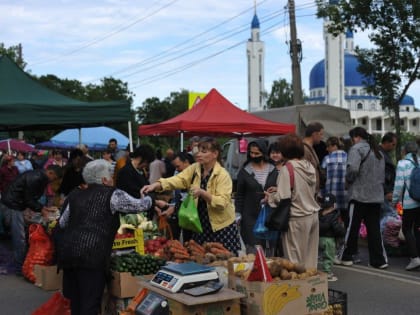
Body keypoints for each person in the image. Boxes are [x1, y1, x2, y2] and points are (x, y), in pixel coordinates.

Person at [54, 159, 166, 315]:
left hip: (69, 254)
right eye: (111, 176)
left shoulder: (74, 195)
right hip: (91, 256)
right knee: (90, 303)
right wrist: (150, 198)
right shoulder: (112, 194)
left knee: (77, 302)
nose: (113, 179)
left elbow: (63, 223)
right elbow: (139, 206)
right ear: (104, 179)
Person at [141, 137, 240, 254]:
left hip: (222, 228)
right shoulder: (195, 168)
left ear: (215, 154)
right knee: (202, 261)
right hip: (200, 226)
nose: (199, 154)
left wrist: (202, 193)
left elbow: (222, 203)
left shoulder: (223, 175)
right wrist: (156, 185)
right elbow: (178, 179)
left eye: (204, 151)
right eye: (198, 151)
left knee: (225, 263)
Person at [267, 134, 320, 269]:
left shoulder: (287, 168)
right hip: (313, 215)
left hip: (297, 218)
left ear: (285, 151)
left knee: (294, 262)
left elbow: (282, 198)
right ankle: (311, 287)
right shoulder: (309, 166)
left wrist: (270, 197)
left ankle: (297, 289)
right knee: (310, 260)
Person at [339, 127, 388, 269]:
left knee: (352, 227)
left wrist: (348, 180)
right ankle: (378, 260)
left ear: (356, 137)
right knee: (374, 229)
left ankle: (346, 256)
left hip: (359, 194)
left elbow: (353, 169)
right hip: (376, 195)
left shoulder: (356, 149)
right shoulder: (377, 151)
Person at [0, 165, 63, 275]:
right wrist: (41, 209)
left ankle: (21, 263)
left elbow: (31, 198)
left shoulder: (40, 177)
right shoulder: (36, 177)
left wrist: (42, 208)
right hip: (12, 205)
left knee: (20, 235)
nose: (53, 180)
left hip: (16, 204)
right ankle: (19, 267)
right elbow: (29, 198)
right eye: (54, 177)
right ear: (50, 173)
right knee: (19, 237)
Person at [235, 139, 278, 254]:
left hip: (270, 216)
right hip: (250, 216)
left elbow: (282, 189)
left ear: (263, 153)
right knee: (254, 249)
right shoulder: (244, 171)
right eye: (251, 153)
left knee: (270, 247)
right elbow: (239, 195)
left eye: (257, 153)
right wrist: (238, 214)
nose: (253, 156)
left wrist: (276, 190)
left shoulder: (274, 170)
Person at [392, 141, 420, 271]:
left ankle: (414, 258)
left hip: (409, 203)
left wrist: (394, 201)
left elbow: (398, 186)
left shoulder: (402, 164)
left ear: (405, 151)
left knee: (407, 228)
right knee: (418, 228)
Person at [159, 151, 194, 241]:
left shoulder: (197, 176)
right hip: (184, 218)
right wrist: (171, 209)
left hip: (195, 219)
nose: (177, 169)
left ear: (186, 162)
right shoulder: (179, 175)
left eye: (178, 166)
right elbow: (179, 198)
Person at [318, 193, 346, 281]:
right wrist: (342, 232)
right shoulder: (334, 215)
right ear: (334, 205)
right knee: (328, 257)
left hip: (319, 239)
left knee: (321, 256)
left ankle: (320, 270)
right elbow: (337, 228)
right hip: (329, 240)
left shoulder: (319, 214)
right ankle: (327, 273)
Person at [321, 137, 348, 225]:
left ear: (334, 146)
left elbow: (322, 178)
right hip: (346, 196)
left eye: (328, 146)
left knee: (331, 223)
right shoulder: (349, 158)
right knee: (347, 222)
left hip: (331, 198)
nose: (326, 149)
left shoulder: (327, 159)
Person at [379, 132, 398, 220]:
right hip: (383, 193)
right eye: (393, 144)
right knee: (387, 219)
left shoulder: (383, 153)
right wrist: (386, 191)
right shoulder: (380, 154)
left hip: (385, 192)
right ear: (386, 142)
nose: (394, 147)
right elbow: (380, 175)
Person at [303, 122, 325, 194]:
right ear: (314, 134)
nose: (322, 137)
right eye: (321, 134)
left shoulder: (310, 148)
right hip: (308, 193)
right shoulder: (304, 149)